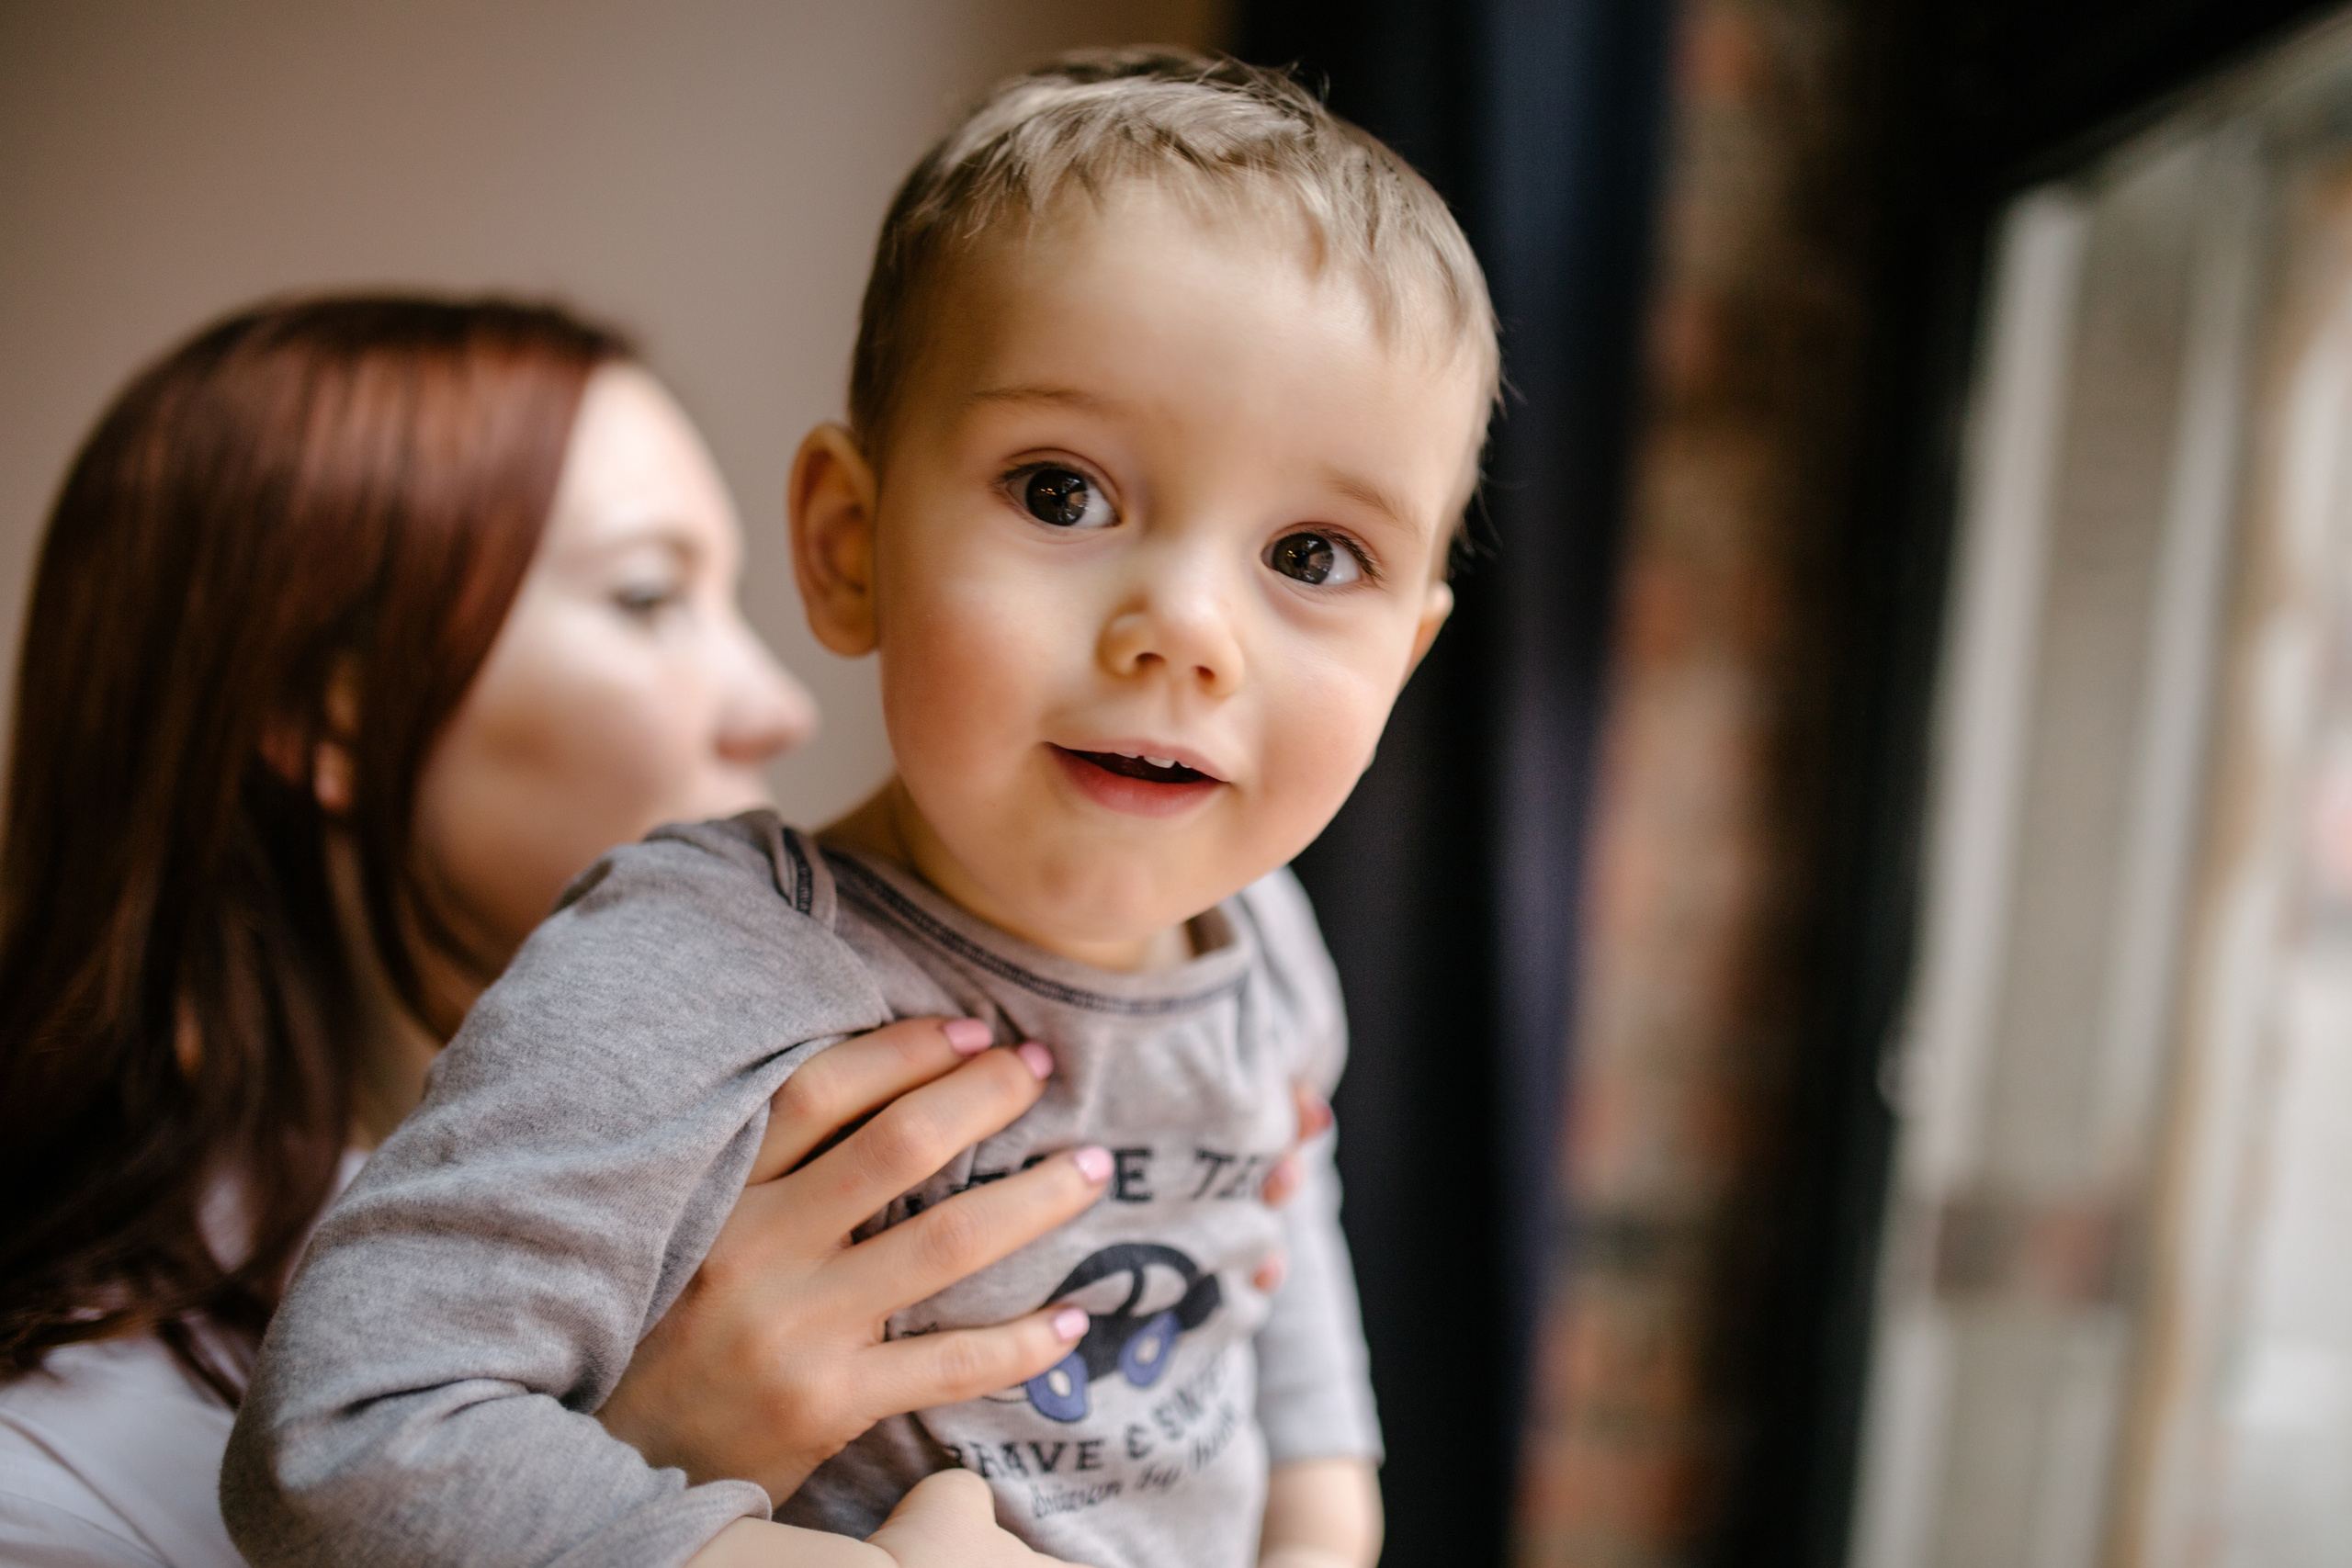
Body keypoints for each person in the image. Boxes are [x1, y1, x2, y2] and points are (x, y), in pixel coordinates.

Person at [227, 49, 1496, 1568]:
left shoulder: (1264, 942)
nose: (1187, 630)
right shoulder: (689, 968)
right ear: (848, 545)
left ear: (1404, 661)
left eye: (1312, 557)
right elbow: (340, 1443)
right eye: (1062, 492)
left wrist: (1320, 1534)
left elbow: (1284, 1303)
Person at [0, 297, 1211, 1567]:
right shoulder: (52, 1478)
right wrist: (656, 1458)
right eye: (646, 599)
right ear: (331, 712)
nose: (777, 707)